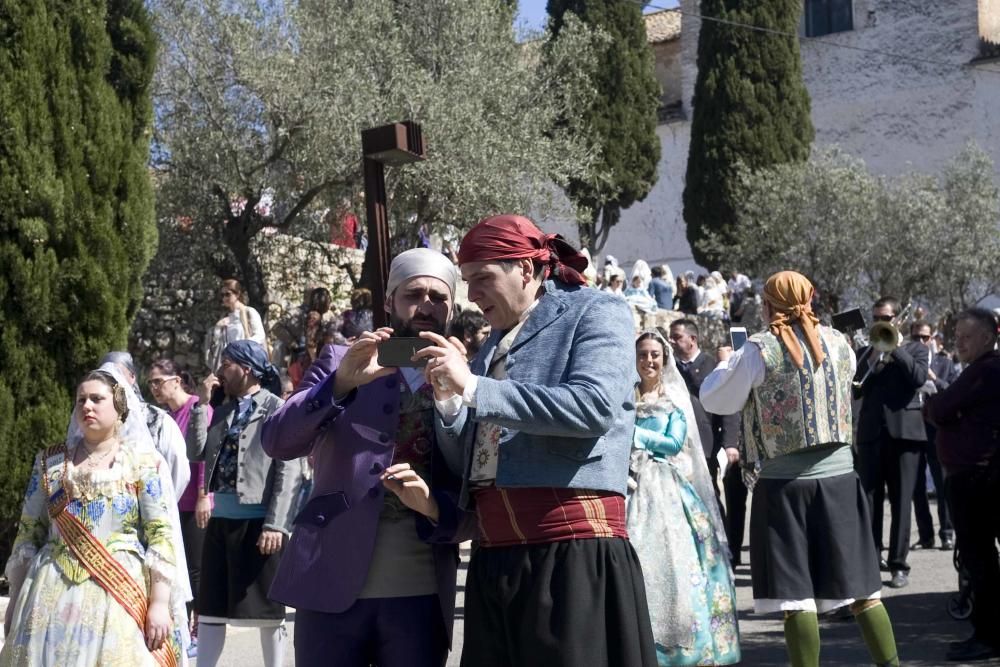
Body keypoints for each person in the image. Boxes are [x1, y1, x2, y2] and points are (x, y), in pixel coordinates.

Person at [420, 214, 657, 667]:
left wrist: (473, 387)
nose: (473, 295)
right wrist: (450, 402)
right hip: (495, 560)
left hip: (569, 555)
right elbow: (481, 453)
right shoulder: (493, 342)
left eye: (483, 278)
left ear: (526, 270)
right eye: (467, 281)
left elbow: (593, 407)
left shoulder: (596, 310)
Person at [261, 248, 469, 667]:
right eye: (414, 294)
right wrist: (337, 387)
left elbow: (473, 477)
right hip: (328, 578)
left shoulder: (466, 371)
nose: (426, 305)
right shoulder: (344, 358)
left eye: (438, 297)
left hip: (421, 589)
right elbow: (278, 441)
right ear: (390, 301)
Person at [701, 270, 898, 667]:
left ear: (770, 303)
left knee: (795, 597)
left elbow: (716, 400)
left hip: (784, 486)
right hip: (841, 480)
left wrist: (726, 365)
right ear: (811, 297)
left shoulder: (758, 349)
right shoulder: (841, 343)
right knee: (863, 591)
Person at [2, 366, 188, 666]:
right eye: (81, 400)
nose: (87, 406)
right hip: (49, 589)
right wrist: (14, 601)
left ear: (119, 406)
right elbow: (28, 532)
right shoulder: (51, 462)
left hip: (119, 593)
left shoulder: (142, 464)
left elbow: (161, 534)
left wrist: (160, 603)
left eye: (97, 399)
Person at [628, 331, 741, 666]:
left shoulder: (675, 396)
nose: (649, 361)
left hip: (666, 487)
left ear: (665, 358)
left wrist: (631, 432)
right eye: (643, 354)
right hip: (630, 487)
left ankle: (681, 647)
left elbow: (674, 443)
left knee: (677, 563)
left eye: (655, 355)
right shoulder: (625, 396)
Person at [186, 340, 298, 667]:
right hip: (221, 523)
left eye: (226, 364)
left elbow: (288, 468)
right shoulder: (222, 410)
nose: (220, 371)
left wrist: (276, 524)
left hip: (260, 523)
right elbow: (196, 453)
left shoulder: (277, 407)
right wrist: (201, 405)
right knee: (210, 609)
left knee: (268, 612)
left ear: (246, 368)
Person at [924, 307, 1000, 662]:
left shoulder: (984, 371)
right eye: (957, 336)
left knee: (979, 560)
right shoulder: (979, 372)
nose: (959, 343)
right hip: (977, 478)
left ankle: (987, 636)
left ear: (987, 337)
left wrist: (943, 411)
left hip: (976, 481)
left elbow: (940, 409)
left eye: (966, 337)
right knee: (981, 559)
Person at [853, 297, 928, 588]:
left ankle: (899, 565)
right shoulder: (865, 352)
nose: (880, 322)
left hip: (905, 435)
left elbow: (918, 378)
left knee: (901, 502)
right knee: (870, 502)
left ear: (898, 319)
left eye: (885, 317)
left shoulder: (916, 349)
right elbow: (856, 389)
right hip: (872, 435)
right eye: (875, 318)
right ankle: (872, 562)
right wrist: (872, 357)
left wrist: (894, 349)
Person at [148, 358, 214, 656]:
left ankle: (199, 630)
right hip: (172, 503)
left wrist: (203, 495)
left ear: (177, 381)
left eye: (158, 382)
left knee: (197, 569)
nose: (154, 389)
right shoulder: (164, 416)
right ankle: (183, 628)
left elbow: (204, 455)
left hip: (194, 501)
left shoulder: (200, 408)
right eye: (150, 384)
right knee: (179, 567)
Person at [667, 319, 745, 564]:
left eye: (677, 336)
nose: (672, 341)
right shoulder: (670, 368)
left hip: (708, 445)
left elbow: (729, 408)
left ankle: (724, 553)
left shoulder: (713, 366)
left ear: (693, 339)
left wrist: (730, 443)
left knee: (710, 496)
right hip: (679, 446)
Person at [102, 351, 191, 500]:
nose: (112, 379)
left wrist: (160, 506)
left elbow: (178, 470)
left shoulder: (157, 420)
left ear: (132, 378)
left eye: (117, 372)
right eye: (105, 374)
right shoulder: (92, 420)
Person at [908, 321, 955, 551]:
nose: (920, 342)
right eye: (916, 337)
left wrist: (933, 378)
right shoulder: (905, 363)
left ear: (932, 338)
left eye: (925, 337)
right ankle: (925, 536)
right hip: (913, 429)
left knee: (941, 484)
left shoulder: (944, 363)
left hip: (936, 431)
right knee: (917, 487)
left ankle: (947, 532)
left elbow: (954, 390)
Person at [203, 279, 267, 372]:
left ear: (237, 294)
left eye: (228, 294)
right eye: (222, 295)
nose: (224, 298)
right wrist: (218, 327)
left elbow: (260, 336)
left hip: (247, 364)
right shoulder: (225, 317)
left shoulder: (249, 312)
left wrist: (240, 347)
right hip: (229, 366)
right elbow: (217, 344)